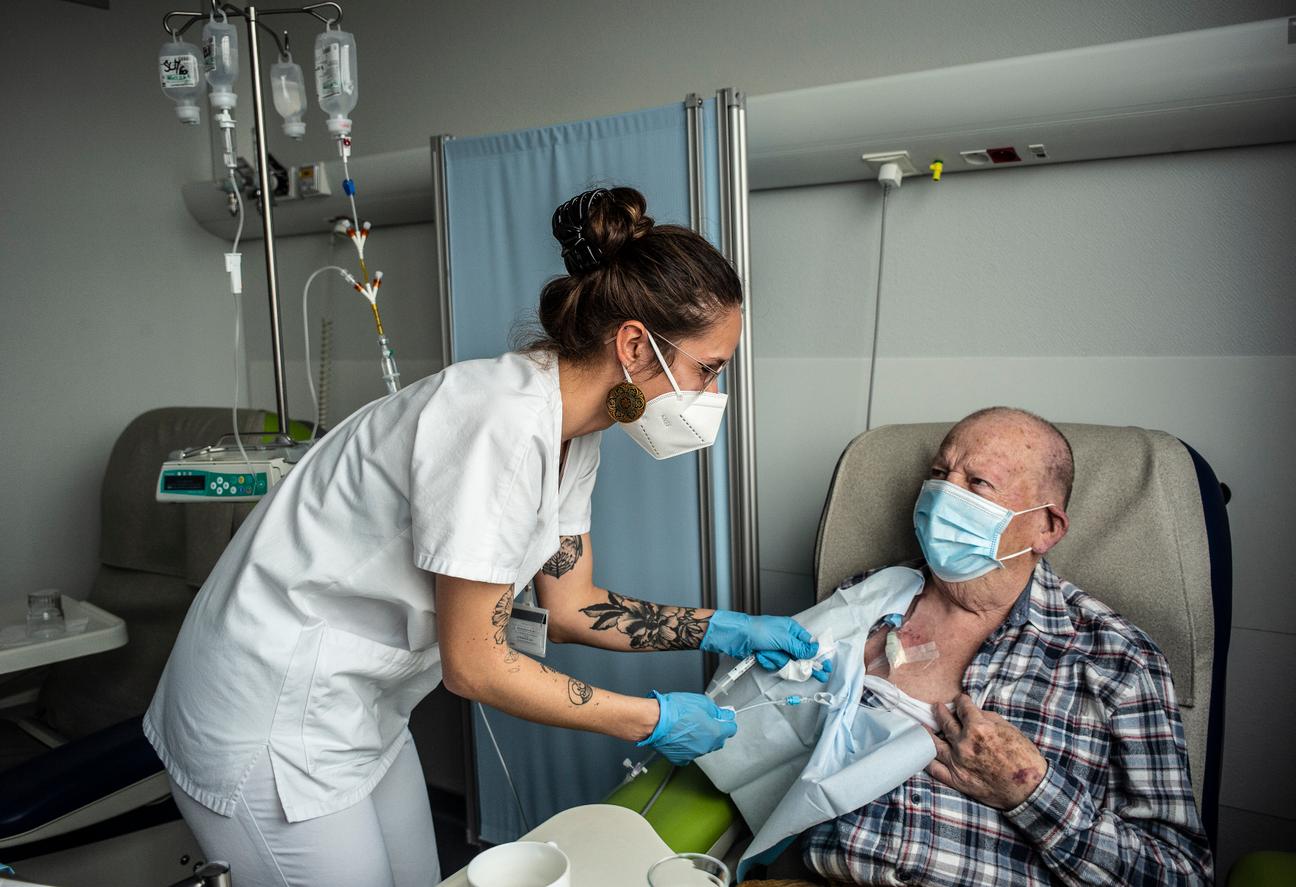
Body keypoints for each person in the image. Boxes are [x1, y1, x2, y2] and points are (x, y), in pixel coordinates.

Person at [144, 187, 822, 886]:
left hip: (360, 704)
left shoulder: (576, 434)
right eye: (707, 369)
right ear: (632, 345)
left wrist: (723, 627)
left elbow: (570, 604)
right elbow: (477, 664)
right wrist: (649, 718)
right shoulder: (496, 424)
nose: (710, 397)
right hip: (267, 713)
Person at [799, 407, 1213, 885]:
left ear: (1046, 528)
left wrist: (1032, 791)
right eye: (938, 473)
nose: (941, 494)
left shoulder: (1115, 661)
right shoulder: (866, 598)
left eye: (977, 483)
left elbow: (1183, 875)